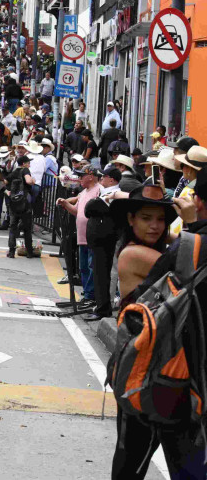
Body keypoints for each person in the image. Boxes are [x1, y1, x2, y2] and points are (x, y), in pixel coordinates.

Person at [109, 176, 206, 479]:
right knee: (132, 459)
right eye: (146, 218)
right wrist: (191, 225)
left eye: (161, 219)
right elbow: (188, 267)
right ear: (131, 219)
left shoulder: (162, 247)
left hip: (166, 364)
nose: (154, 226)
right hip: (142, 366)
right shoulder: (133, 253)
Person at [56, 167, 101, 305]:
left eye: (82, 176)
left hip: (93, 235)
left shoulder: (99, 190)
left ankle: (91, 296)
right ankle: (87, 294)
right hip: (82, 236)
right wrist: (65, 204)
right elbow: (76, 211)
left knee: (91, 266)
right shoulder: (83, 192)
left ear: (91, 176)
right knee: (83, 267)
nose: (80, 178)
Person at [5, 153, 35, 258]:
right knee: (27, 228)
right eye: (28, 163)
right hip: (25, 204)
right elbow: (28, 181)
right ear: (24, 164)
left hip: (13, 204)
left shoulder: (13, 173)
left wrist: (7, 192)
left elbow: (3, 182)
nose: (29, 165)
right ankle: (29, 252)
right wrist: (33, 181)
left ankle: (11, 252)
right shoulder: (25, 170)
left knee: (13, 227)